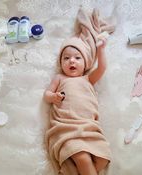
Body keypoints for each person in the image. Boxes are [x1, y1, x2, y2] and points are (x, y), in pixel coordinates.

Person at [44, 35, 111, 175]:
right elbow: (47, 94)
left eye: (77, 58)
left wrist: (101, 49)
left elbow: (102, 67)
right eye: (66, 58)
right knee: (83, 158)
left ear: (85, 63)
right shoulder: (60, 78)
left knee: (102, 159)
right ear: (61, 63)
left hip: (88, 127)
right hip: (67, 128)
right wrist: (53, 97)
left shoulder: (88, 79)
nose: (71, 61)